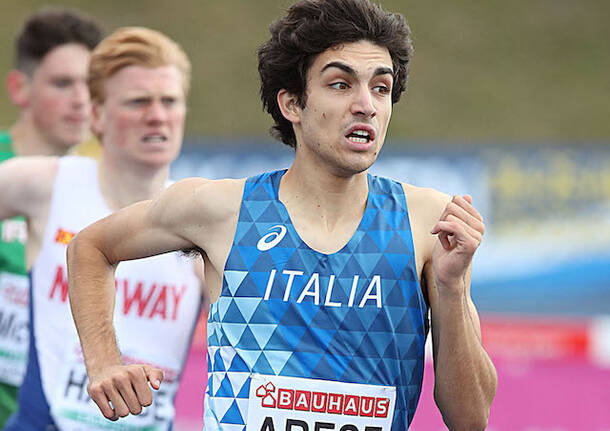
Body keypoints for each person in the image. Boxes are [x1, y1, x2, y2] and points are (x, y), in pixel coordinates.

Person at [67, 0, 498, 429]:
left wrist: (452, 285)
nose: (366, 104)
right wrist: (104, 362)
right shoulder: (224, 210)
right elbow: (91, 246)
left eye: (381, 88)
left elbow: (470, 419)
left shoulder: (427, 222)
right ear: (292, 103)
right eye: (340, 85)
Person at [0, 27, 206, 430]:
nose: (157, 115)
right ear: (96, 114)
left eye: (170, 101)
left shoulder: (200, 220)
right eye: (138, 101)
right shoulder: (43, 184)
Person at [0, 8, 102, 426]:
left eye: (91, 84)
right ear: (19, 89)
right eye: (63, 83)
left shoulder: (98, 193)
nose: (81, 99)